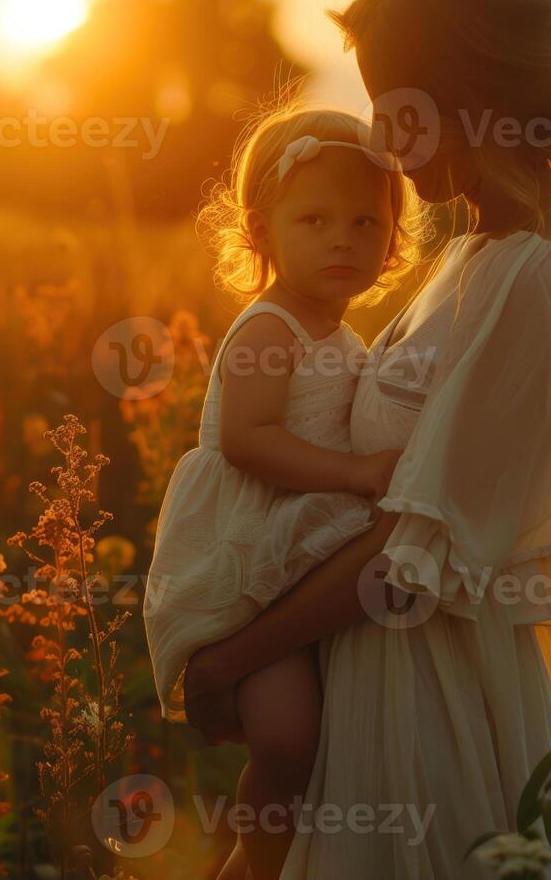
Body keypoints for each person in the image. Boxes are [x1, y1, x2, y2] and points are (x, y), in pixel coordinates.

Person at [184, 0, 551, 879]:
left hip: (427, 692)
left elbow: (414, 550)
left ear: (468, 98)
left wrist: (234, 658)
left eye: (400, 113)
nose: (387, 152)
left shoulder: (537, 277)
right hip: (367, 665)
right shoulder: (472, 253)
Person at [142, 104, 431, 880]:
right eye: (313, 219)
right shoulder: (269, 329)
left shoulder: (342, 337)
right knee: (287, 739)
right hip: (250, 565)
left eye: (366, 223)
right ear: (262, 231)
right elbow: (247, 440)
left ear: (393, 241)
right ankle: (251, 862)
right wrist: (352, 474)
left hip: (305, 555)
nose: (343, 238)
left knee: (329, 737)